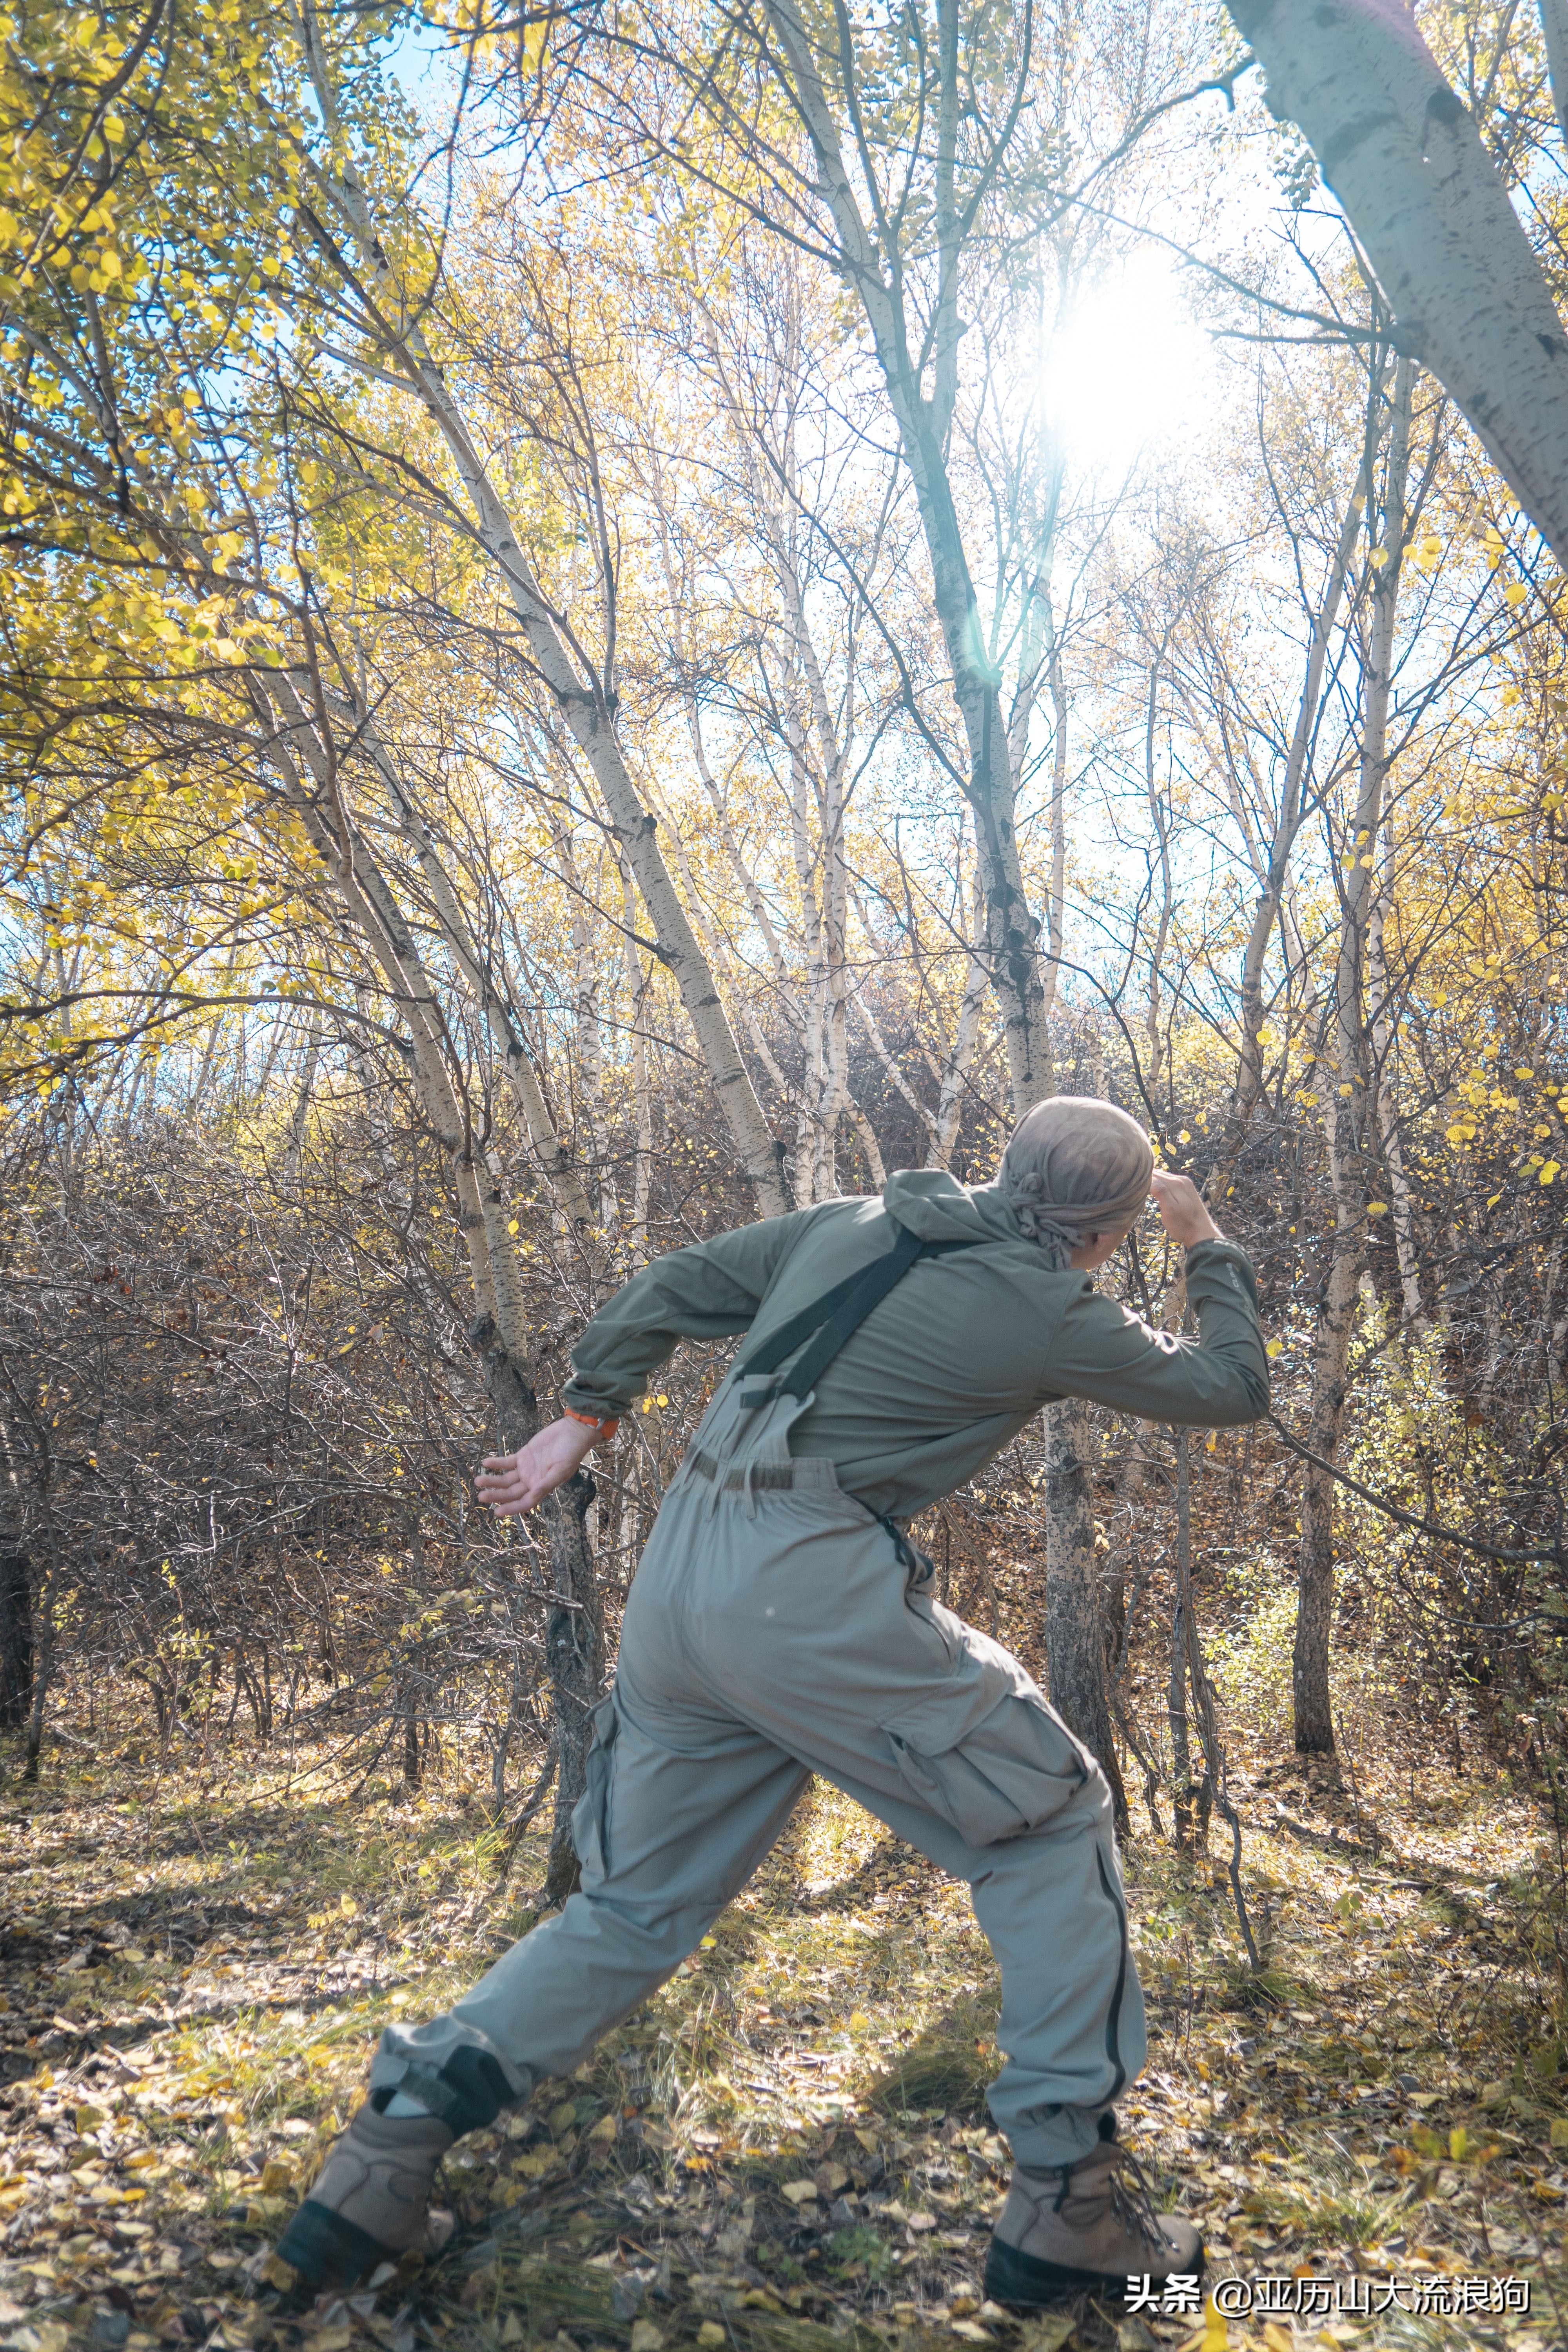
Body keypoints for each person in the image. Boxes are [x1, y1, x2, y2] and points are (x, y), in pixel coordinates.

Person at [278, 1098, 1269, 2308]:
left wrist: (586, 1412)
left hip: (681, 1577)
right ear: (1107, 1232)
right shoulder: (1052, 1307)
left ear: (1006, 1168)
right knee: (1050, 1823)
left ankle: (382, 2159)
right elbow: (1229, 1388)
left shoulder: (857, 1220)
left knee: (633, 1905)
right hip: (803, 1588)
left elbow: (678, 1281)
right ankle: (1069, 2202)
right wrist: (1207, 1242)